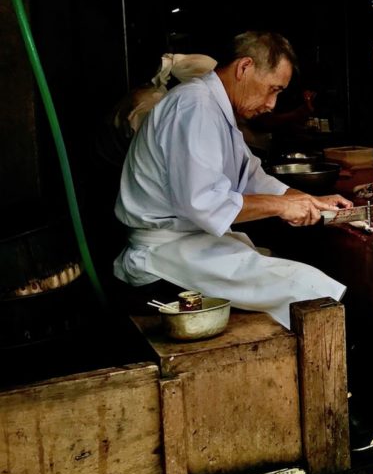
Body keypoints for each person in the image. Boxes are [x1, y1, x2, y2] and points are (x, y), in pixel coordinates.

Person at [113, 31, 351, 328]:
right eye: (273, 89)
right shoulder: (194, 106)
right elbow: (204, 204)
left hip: (189, 247)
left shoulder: (216, 109)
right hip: (161, 261)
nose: (272, 104)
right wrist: (280, 207)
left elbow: (250, 176)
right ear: (244, 67)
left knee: (296, 277)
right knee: (311, 292)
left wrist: (306, 200)